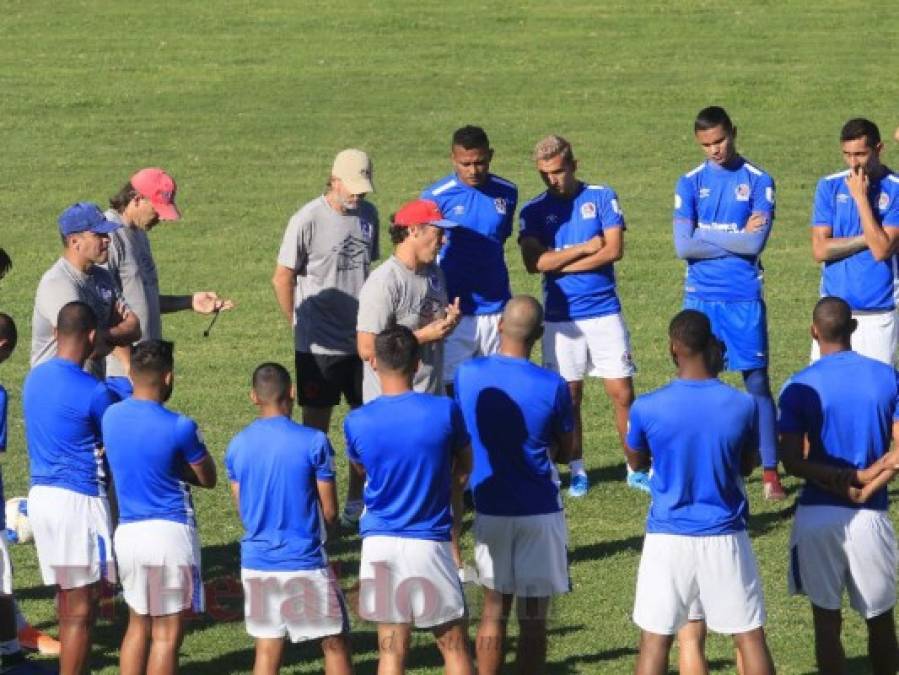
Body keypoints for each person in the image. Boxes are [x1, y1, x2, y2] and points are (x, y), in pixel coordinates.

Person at [627, 309, 774, 675]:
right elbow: (747, 464)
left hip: (667, 536)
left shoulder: (646, 406)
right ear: (709, 345)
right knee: (749, 635)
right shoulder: (742, 404)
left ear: (674, 347)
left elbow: (635, 458)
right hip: (725, 533)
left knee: (655, 639)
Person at [453, 295, 575, 675]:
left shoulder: (466, 375)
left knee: (493, 610)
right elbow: (567, 449)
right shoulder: (553, 385)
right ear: (538, 334)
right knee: (534, 619)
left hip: (489, 504)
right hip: (539, 509)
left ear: (500, 326)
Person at [779, 296, 899, 675]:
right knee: (880, 620)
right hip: (870, 517)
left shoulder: (798, 386)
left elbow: (792, 460)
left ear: (814, 332)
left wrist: (837, 480)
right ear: (853, 328)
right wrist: (867, 483)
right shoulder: (886, 377)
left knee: (826, 623)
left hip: (816, 514)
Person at [344, 326, 473, 674]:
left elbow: (361, 469)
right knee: (455, 648)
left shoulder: (356, 421)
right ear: (417, 364)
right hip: (429, 541)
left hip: (379, 544)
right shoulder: (444, 411)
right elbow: (466, 464)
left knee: (391, 651)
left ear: (374, 364)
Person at [673, 106, 784, 501]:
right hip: (700, 299)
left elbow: (754, 244)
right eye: (706, 144)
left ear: (733, 133)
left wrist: (706, 233)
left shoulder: (758, 180)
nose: (715, 150)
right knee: (698, 383)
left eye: (720, 141)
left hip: (742, 299)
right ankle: (704, 465)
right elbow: (682, 246)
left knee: (756, 383)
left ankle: (770, 472)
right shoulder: (689, 183)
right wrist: (731, 236)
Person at [519, 134, 638, 497]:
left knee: (622, 392)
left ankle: (636, 467)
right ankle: (578, 469)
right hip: (561, 317)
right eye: (544, 174)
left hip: (604, 312)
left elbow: (614, 250)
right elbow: (532, 263)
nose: (551, 180)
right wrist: (587, 248)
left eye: (557, 171)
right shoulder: (533, 210)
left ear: (573, 165)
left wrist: (558, 261)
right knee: (569, 397)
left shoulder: (602, 196)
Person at [271, 149, 378, 529]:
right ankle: (315, 506)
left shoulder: (369, 216)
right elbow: (282, 277)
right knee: (316, 433)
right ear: (334, 180)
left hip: (361, 342)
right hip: (317, 347)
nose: (358, 196)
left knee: (364, 427)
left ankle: (355, 500)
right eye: (352, 188)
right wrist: (297, 323)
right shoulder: (307, 219)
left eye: (363, 189)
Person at [225, 363, 353, 675]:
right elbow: (331, 510)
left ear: (254, 396)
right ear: (292, 393)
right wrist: (331, 529)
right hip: (303, 559)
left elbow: (243, 507)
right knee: (334, 643)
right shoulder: (314, 442)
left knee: (267, 651)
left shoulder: (237, 445)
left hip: (256, 562)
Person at [102, 340, 216, 675]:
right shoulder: (180, 426)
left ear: (131, 374)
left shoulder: (111, 417)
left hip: (128, 534)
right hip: (170, 534)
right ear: (167, 377)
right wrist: (172, 465)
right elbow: (207, 477)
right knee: (167, 634)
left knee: (138, 622)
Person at [23, 301, 119, 675]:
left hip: (41, 499)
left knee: (67, 598)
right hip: (78, 501)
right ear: (92, 337)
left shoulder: (34, 379)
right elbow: (116, 439)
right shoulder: (94, 392)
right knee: (83, 606)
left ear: (56, 334)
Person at [104, 168, 233, 397]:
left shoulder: (140, 234)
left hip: (144, 370)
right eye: (157, 209)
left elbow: (140, 299)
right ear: (137, 199)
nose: (162, 217)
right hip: (120, 376)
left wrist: (189, 301)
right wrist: (128, 366)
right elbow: (103, 308)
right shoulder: (109, 237)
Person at [421, 125, 517, 393]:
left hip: (497, 307)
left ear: (491, 156)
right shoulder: (435, 197)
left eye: (480, 162)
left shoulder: (508, 192)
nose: (473, 170)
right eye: (466, 164)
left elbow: (501, 237)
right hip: (454, 310)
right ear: (453, 159)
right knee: (453, 388)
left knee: (500, 388)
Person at [810, 118, 899, 365]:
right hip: (832, 313)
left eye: (860, 154)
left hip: (877, 313)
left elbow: (881, 250)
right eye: (847, 154)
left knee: (874, 395)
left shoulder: (896, 190)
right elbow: (819, 249)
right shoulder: (829, 186)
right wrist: (868, 238)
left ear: (879, 149)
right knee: (825, 393)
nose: (853, 163)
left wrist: (860, 198)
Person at [356, 199, 461, 402]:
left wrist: (448, 324)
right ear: (414, 230)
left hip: (430, 398)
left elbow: (429, 326)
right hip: (392, 405)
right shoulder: (384, 282)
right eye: (438, 232)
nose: (444, 240)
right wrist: (422, 336)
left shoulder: (435, 274)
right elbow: (367, 349)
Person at [31, 203, 141, 379]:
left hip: (90, 384)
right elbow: (87, 347)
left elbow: (135, 328)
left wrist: (101, 335)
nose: (108, 239)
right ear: (75, 242)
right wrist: (115, 331)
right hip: (58, 387)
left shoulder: (103, 277)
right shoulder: (58, 283)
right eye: (99, 234)